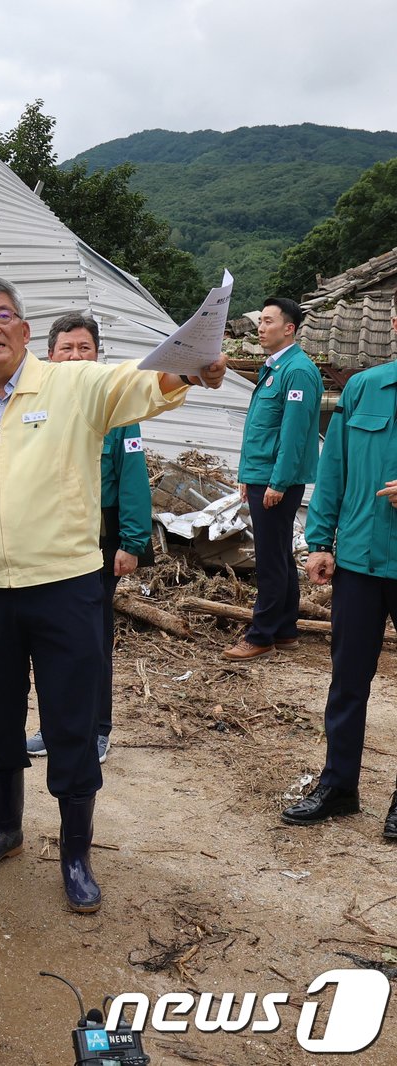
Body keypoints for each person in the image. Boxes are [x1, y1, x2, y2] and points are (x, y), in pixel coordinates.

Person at [0, 277, 226, 915]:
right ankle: (3, 828)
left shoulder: (73, 384)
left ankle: (75, 852)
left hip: (64, 587)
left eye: (4, 314)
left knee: (70, 721)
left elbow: (142, 386)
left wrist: (191, 371)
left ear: (27, 332)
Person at [281, 295, 397, 832]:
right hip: (358, 561)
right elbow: (334, 469)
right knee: (348, 681)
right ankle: (338, 786)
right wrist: (321, 541)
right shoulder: (363, 386)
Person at [25, 313, 153, 765]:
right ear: (49, 355)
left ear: (98, 355)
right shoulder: (34, 406)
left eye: (85, 348)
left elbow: (133, 476)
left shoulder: (115, 407)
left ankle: (97, 728)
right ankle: (53, 726)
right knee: (46, 639)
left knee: (91, 639)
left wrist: (132, 542)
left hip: (99, 542)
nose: (76, 357)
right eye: (67, 349)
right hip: (45, 539)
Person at [226, 297, 322, 660]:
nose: (260, 328)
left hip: (276, 480)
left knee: (269, 559)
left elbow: (295, 434)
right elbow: (259, 428)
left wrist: (278, 482)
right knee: (279, 554)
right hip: (262, 475)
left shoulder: (297, 371)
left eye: (268, 321)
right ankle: (284, 630)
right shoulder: (275, 368)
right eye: (260, 322)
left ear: (289, 328)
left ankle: (261, 635)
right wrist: (245, 475)